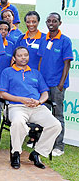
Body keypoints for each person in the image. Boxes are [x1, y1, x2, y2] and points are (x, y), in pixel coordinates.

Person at [0, 47, 62, 169]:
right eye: (20, 55)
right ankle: (16, 153)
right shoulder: (7, 72)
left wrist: (39, 102)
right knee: (18, 122)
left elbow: (45, 93)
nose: (23, 58)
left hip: (37, 107)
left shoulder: (35, 73)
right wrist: (21, 99)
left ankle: (37, 153)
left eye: (25, 55)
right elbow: (2, 94)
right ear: (14, 58)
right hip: (16, 106)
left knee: (56, 125)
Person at [37, 12, 73, 157]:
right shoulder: (44, 39)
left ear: (60, 23)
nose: (51, 23)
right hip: (44, 85)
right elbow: (40, 61)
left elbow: (67, 64)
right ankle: (43, 143)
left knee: (58, 115)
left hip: (57, 85)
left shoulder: (65, 41)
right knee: (43, 115)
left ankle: (59, 146)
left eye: (54, 21)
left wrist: (61, 84)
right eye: (49, 21)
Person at [0, 20, 15, 135]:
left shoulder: (11, 45)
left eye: (6, 30)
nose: (3, 31)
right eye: (1, 29)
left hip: (3, 80)